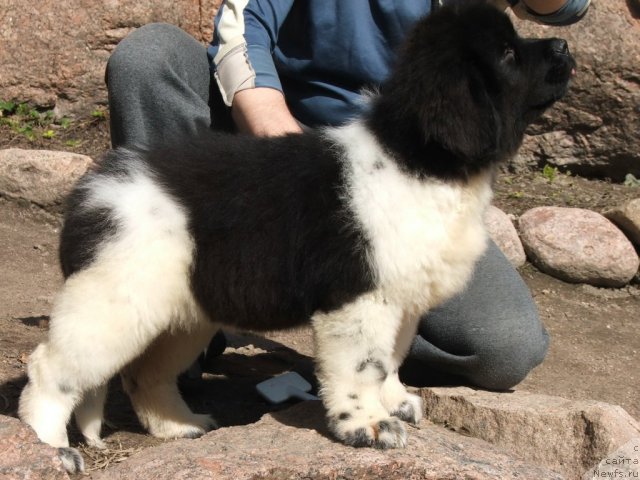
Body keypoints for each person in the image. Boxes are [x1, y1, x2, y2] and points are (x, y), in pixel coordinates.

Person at [106, 0, 590, 391]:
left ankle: (358, 340)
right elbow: (242, 22)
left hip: (403, 172)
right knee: (151, 59)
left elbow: (561, 6)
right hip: (269, 140)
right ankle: (169, 330)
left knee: (503, 348)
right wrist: (283, 146)